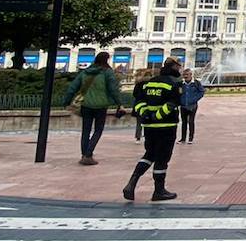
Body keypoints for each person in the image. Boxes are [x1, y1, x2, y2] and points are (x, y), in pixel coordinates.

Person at [124, 57, 183, 202]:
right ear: (174, 68)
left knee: (149, 154)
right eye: (178, 66)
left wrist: (147, 115)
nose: (180, 69)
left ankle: (132, 182)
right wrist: (158, 116)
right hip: (166, 126)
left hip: (149, 127)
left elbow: (138, 103)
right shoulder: (173, 84)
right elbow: (173, 104)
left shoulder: (149, 83)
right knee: (162, 158)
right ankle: (159, 190)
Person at [60, 51, 124, 165]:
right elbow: (113, 89)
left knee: (86, 130)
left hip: (86, 105)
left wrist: (66, 101)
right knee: (98, 130)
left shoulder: (85, 72)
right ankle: (88, 154)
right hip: (101, 105)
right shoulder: (107, 72)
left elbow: (72, 87)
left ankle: (84, 154)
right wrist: (119, 103)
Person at [179, 68, 205, 144]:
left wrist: (195, 99)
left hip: (192, 106)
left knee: (191, 122)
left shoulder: (196, 83)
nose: (185, 76)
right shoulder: (181, 83)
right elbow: (178, 92)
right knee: (183, 122)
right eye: (184, 75)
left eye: (187, 75)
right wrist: (180, 100)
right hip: (183, 106)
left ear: (191, 75)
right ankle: (183, 139)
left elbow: (201, 92)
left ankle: (190, 138)